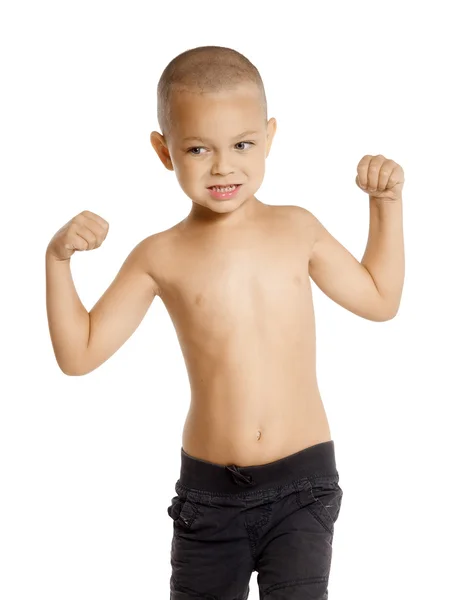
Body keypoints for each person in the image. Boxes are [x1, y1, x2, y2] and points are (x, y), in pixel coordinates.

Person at [45, 45, 405, 599]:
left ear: (270, 137)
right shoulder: (158, 255)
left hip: (302, 486)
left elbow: (380, 300)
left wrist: (386, 205)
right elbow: (80, 354)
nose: (223, 167)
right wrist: (58, 262)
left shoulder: (297, 229)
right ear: (164, 152)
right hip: (209, 498)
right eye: (197, 149)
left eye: (242, 144)